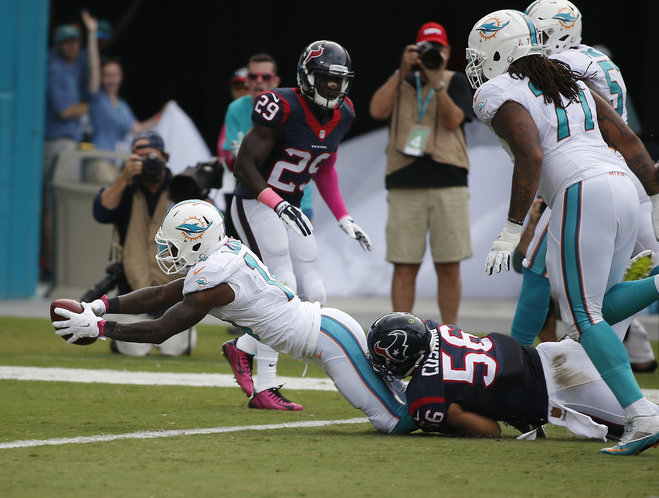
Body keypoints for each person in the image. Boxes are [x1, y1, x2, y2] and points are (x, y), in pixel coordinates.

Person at [465, 9, 659, 455]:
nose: (477, 66)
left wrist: (512, 230)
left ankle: (641, 414)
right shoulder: (569, 81)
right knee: (599, 309)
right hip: (621, 186)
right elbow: (629, 142)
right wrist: (654, 198)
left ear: (500, 49)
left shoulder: (497, 91)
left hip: (581, 190)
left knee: (581, 316)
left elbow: (531, 155)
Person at [52, 199, 416, 434]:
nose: (167, 249)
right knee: (399, 399)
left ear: (196, 240)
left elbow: (162, 329)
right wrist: (101, 305)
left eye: (173, 242)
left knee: (393, 421)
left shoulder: (215, 281)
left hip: (329, 340)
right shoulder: (222, 254)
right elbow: (163, 294)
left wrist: (99, 328)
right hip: (328, 329)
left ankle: (462, 402)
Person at [510, 0, 657, 372]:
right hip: (626, 182)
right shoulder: (598, 59)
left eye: (537, 33)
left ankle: (512, 364)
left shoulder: (563, 66)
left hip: (590, 182)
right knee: (616, 289)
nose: (530, 42)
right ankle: (616, 353)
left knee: (540, 273)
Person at [227, 41, 372, 409]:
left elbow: (325, 167)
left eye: (339, 81)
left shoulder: (345, 114)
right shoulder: (280, 105)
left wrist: (344, 218)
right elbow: (242, 166)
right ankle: (265, 388)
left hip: (288, 205)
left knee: (316, 293)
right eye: (325, 80)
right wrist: (275, 203)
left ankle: (242, 347)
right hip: (255, 200)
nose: (333, 88)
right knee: (282, 285)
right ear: (308, 77)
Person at [366, 312, 659, 451]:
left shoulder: (424, 397)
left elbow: (490, 431)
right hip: (553, 351)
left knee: (649, 427)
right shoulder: (439, 329)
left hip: (565, 391)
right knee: (597, 312)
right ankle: (628, 299)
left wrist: (447, 422)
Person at [369, 22, 473, 325]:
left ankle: (451, 333)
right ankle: (400, 329)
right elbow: (376, 110)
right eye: (426, 48)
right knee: (404, 265)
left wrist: (436, 80)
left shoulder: (455, 81)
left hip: (449, 183)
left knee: (449, 265)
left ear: (448, 51)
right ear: (413, 51)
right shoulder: (403, 80)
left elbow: (455, 120)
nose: (433, 54)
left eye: (438, 48)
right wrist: (402, 70)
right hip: (404, 182)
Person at [92, 130, 196, 356]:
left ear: (165, 157)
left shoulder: (180, 186)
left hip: (173, 293)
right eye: (139, 157)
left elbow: (208, 219)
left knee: (173, 350)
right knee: (134, 351)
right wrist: (123, 177)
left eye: (151, 157)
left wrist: (198, 188)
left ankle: (180, 335)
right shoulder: (125, 188)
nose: (147, 163)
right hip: (132, 291)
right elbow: (101, 212)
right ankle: (122, 337)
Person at [42, 10, 99, 282]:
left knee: (64, 205)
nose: (73, 46)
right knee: (56, 205)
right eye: (68, 42)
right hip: (57, 143)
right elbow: (65, 111)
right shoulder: (54, 67)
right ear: (58, 44)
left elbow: (95, 74)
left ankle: (60, 264)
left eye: (76, 41)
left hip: (70, 142)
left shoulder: (73, 65)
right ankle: (53, 266)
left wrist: (91, 33)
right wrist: (93, 106)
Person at [88, 57, 162, 153]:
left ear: (121, 76)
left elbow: (138, 128)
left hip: (117, 159)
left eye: (114, 75)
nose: (111, 79)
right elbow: (94, 68)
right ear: (101, 77)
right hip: (99, 157)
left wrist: (161, 115)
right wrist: (92, 41)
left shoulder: (122, 106)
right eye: (107, 75)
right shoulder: (97, 98)